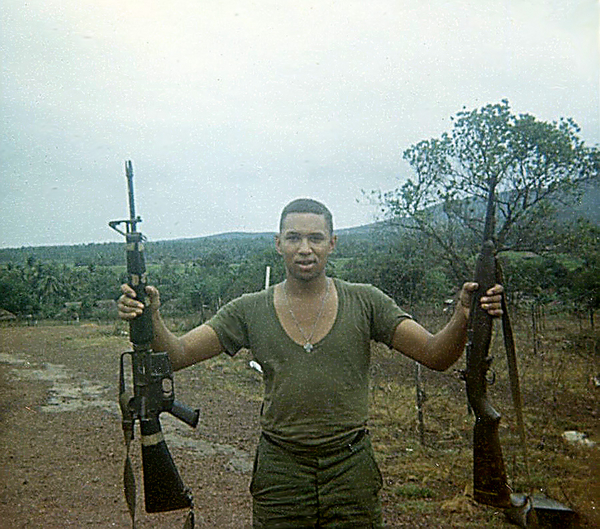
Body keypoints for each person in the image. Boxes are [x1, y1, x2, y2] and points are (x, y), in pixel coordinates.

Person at [118, 198, 504, 528]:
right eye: (294, 238)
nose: (305, 248)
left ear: (332, 244)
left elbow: (435, 355)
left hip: (351, 467)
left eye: (315, 238)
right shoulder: (249, 309)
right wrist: (149, 315)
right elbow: (177, 354)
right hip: (280, 470)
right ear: (278, 244)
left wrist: (464, 316)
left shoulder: (366, 301)